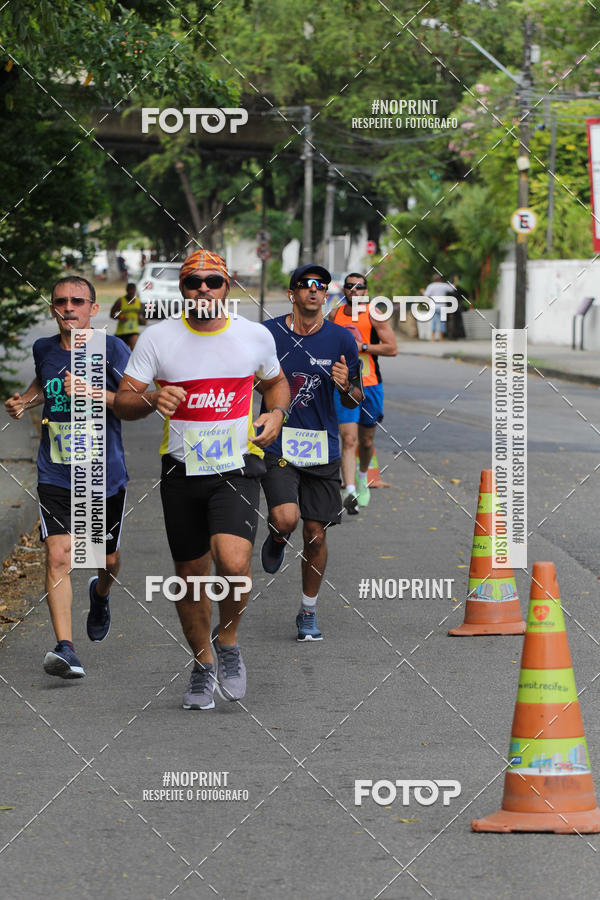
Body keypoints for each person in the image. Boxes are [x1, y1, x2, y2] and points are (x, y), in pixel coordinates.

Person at [114, 250, 289, 711]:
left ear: (226, 287)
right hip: (181, 472)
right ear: (183, 290)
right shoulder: (157, 338)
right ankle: (202, 661)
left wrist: (276, 413)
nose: (204, 290)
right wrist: (152, 398)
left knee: (233, 563)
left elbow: (276, 382)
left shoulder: (253, 335)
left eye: (213, 281)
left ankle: (227, 638)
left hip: (236, 467)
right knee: (191, 577)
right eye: (194, 283)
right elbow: (123, 403)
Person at [4, 276, 130, 679]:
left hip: (102, 475)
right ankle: (66, 648)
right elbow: (44, 381)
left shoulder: (110, 349)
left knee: (106, 560)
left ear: (94, 309)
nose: (68, 308)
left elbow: (135, 400)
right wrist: (26, 399)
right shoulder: (45, 348)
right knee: (59, 556)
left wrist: (95, 393)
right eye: (60, 301)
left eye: (78, 301)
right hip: (56, 473)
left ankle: (101, 593)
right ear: (52, 308)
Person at [259, 264, 363, 642]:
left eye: (321, 286)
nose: (314, 291)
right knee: (286, 519)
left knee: (316, 533)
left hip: (322, 446)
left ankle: (307, 610)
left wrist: (343, 384)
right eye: (305, 285)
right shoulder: (268, 334)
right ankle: (275, 537)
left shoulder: (341, 340)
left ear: (327, 294)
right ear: (292, 294)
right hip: (277, 440)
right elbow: (248, 380)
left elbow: (356, 396)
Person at [329, 272, 397, 512]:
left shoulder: (374, 314)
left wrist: (363, 347)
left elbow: (392, 348)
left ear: (365, 292)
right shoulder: (334, 315)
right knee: (348, 439)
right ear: (344, 290)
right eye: (349, 287)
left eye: (359, 288)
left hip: (370, 385)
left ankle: (361, 476)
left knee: (366, 441)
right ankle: (349, 492)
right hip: (344, 385)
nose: (354, 291)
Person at [110, 282, 146, 350]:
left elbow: (141, 318)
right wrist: (121, 317)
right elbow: (112, 314)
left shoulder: (139, 302)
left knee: (134, 350)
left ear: (135, 291)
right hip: (121, 332)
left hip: (133, 331)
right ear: (127, 290)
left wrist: (142, 320)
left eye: (133, 290)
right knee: (121, 352)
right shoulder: (120, 301)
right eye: (130, 290)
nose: (131, 292)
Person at [422, 272, 455, 342]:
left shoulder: (431, 286)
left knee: (434, 321)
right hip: (442, 306)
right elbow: (453, 288)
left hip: (434, 306)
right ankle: (441, 338)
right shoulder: (443, 285)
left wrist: (422, 291)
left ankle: (433, 338)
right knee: (442, 322)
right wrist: (455, 281)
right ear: (440, 279)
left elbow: (426, 295)